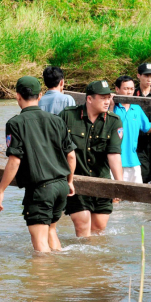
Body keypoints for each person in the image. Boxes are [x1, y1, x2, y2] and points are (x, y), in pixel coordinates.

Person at [0, 76, 77, 252]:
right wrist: (69, 182)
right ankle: (61, 275)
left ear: (17, 96)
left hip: (40, 189)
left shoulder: (15, 123)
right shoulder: (57, 120)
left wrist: (0, 191)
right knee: (51, 231)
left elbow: (15, 160)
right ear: (39, 96)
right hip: (61, 186)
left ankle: (42, 278)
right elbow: (71, 156)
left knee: (40, 245)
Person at [59, 80, 124, 237]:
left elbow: (114, 155)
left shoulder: (114, 121)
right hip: (75, 182)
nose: (107, 101)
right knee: (82, 226)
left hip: (102, 181)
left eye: (108, 97)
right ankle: (81, 261)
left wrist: (119, 186)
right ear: (89, 99)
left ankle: (93, 261)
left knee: (99, 228)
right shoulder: (68, 116)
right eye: (102, 98)